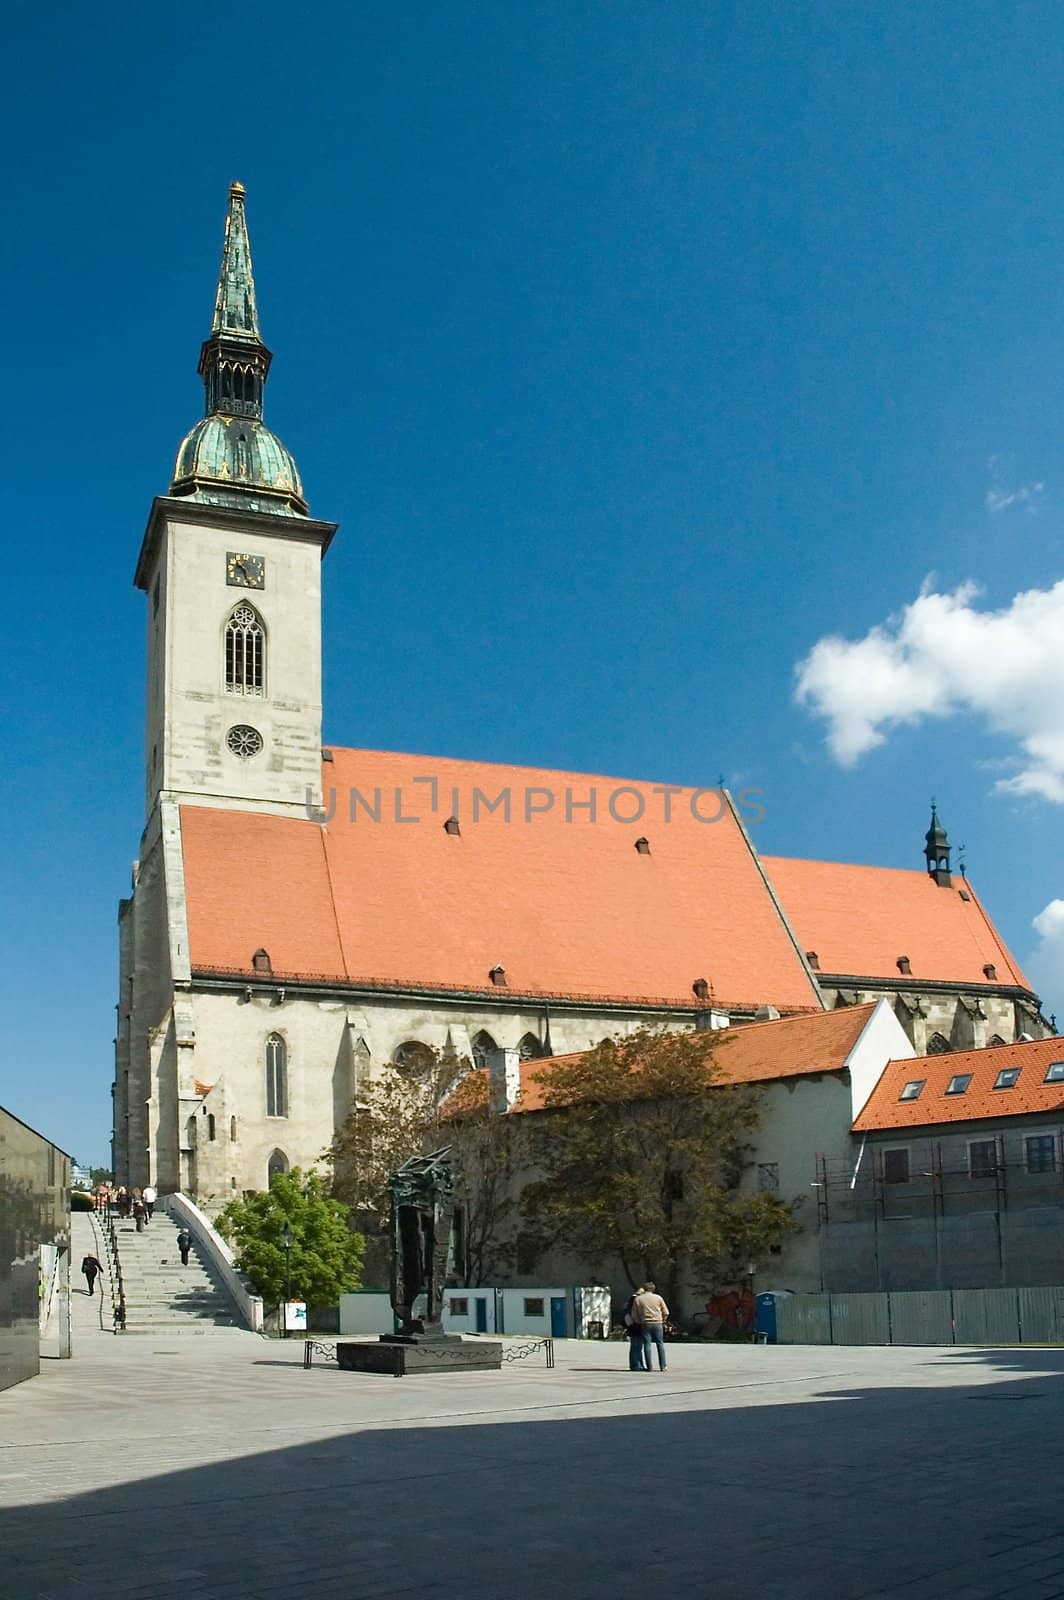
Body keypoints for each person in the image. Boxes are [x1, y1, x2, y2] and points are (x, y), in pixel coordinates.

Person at [633, 1281, 670, 1371]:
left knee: (647, 1344)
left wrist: (639, 1321)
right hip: (657, 1323)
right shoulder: (658, 1298)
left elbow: (634, 1314)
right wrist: (663, 1319)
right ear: (653, 1288)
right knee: (660, 1343)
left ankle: (650, 1366)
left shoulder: (638, 1299)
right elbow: (666, 1312)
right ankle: (663, 1366)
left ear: (644, 1288)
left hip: (645, 1323)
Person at [623, 1288, 648, 1370]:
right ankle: (636, 1365)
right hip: (636, 1325)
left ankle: (638, 1364)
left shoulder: (631, 1300)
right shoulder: (636, 1300)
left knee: (636, 1346)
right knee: (636, 1346)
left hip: (632, 1325)